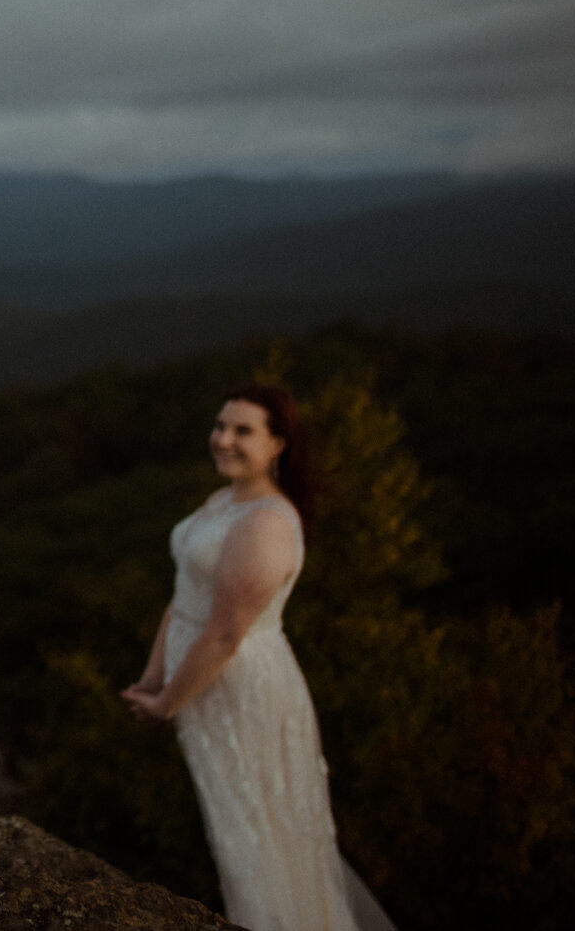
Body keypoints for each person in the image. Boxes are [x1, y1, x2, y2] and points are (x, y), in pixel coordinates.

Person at [120, 386, 393, 931]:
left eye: (243, 431)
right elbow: (186, 596)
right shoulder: (225, 500)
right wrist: (154, 676)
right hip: (199, 681)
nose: (223, 439)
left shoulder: (266, 524)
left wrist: (167, 703)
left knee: (257, 839)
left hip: (240, 692)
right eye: (220, 425)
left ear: (278, 445)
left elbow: (224, 634)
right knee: (232, 830)